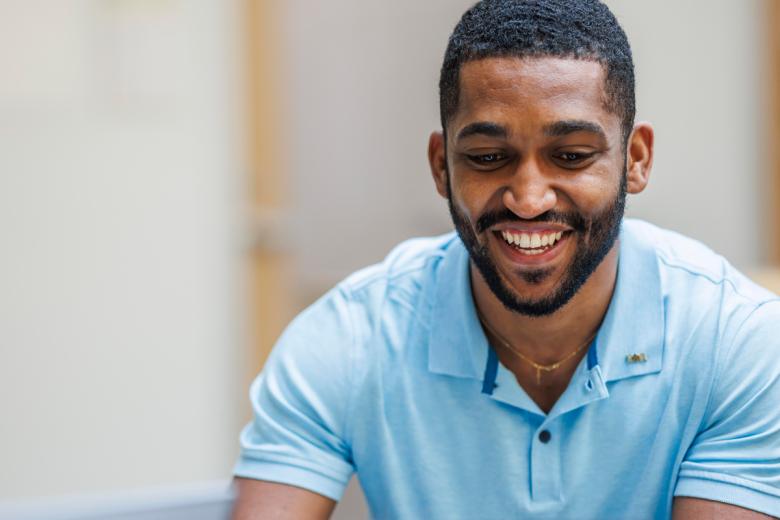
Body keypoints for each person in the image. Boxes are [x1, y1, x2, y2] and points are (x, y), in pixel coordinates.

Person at [232, 0, 780, 518]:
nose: (529, 198)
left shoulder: (736, 342)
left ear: (635, 160)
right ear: (442, 165)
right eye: (488, 158)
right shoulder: (349, 337)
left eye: (570, 156)